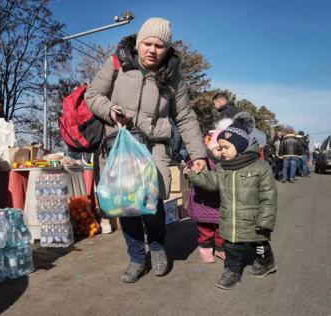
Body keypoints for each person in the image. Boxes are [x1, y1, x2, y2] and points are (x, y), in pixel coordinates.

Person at [85, 17, 207, 283]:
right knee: (125, 203)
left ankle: (156, 245)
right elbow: (92, 95)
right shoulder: (116, 64)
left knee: (152, 203)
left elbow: (185, 117)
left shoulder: (173, 77)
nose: (152, 50)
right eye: (148, 43)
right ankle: (136, 258)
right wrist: (110, 110)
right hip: (119, 146)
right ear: (139, 43)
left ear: (167, 49)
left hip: (154, 147)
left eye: (159, 45)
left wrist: (198, 155)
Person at [187, 113, 277, 290]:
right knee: (232, 248)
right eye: (220, 148)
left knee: (259, 244)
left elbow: (269, 195)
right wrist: (196, 175)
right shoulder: (222, 167)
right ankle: (232, 272)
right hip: (230, 218)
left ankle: (267, 262)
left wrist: (266, 219)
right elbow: (212, 183)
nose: (221, 151)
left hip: (254, 219)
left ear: (240, 146)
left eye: (226, 147)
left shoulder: (260, 166)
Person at [187, 126, 228, 263]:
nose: (220, 153)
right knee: (205, 231)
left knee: (221, 230)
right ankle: (205, 249)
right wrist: (192, 169)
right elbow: (191, 164)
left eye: (223, 149)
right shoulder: (201, 158)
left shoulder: (227, 161)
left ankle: (221, 249)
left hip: (220, 203)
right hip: (202, 203)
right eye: (218, 149)